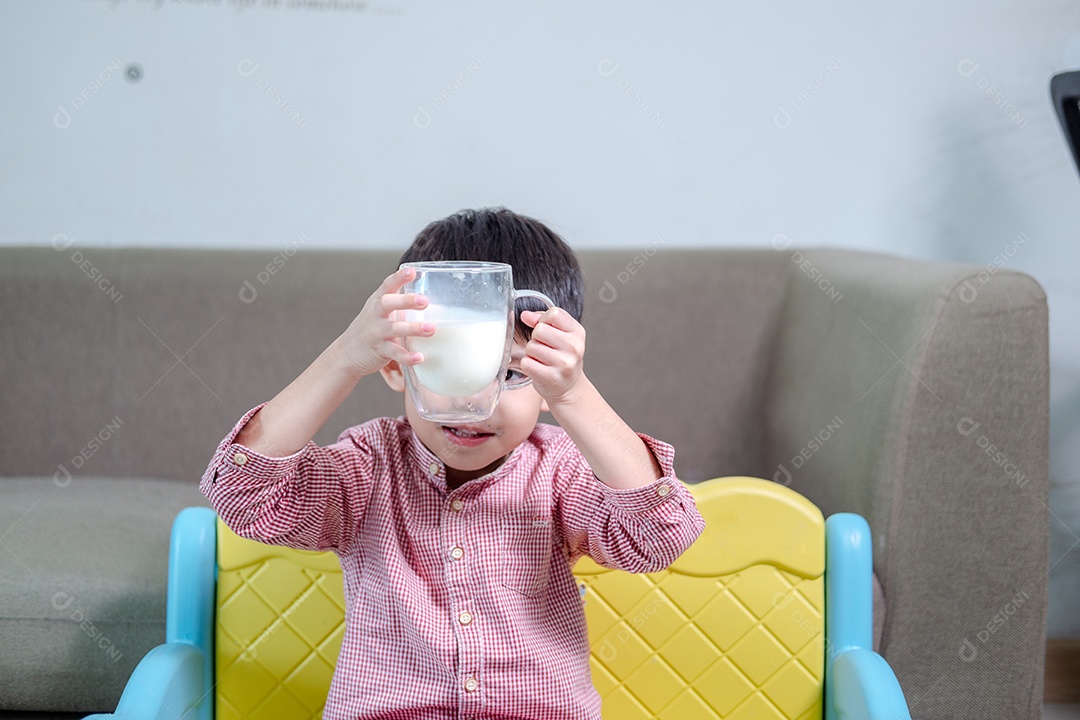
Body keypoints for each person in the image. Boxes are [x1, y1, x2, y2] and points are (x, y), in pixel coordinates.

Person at [200, 207, 706, 720]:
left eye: (509, 374)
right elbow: (243, 493)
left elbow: (661, 536)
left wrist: (576, 394)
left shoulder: (559, 473)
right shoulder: (370, 466)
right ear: (396, 367)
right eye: (448, 367)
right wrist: (346, 356)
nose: (474, 402)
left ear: (547, 385)